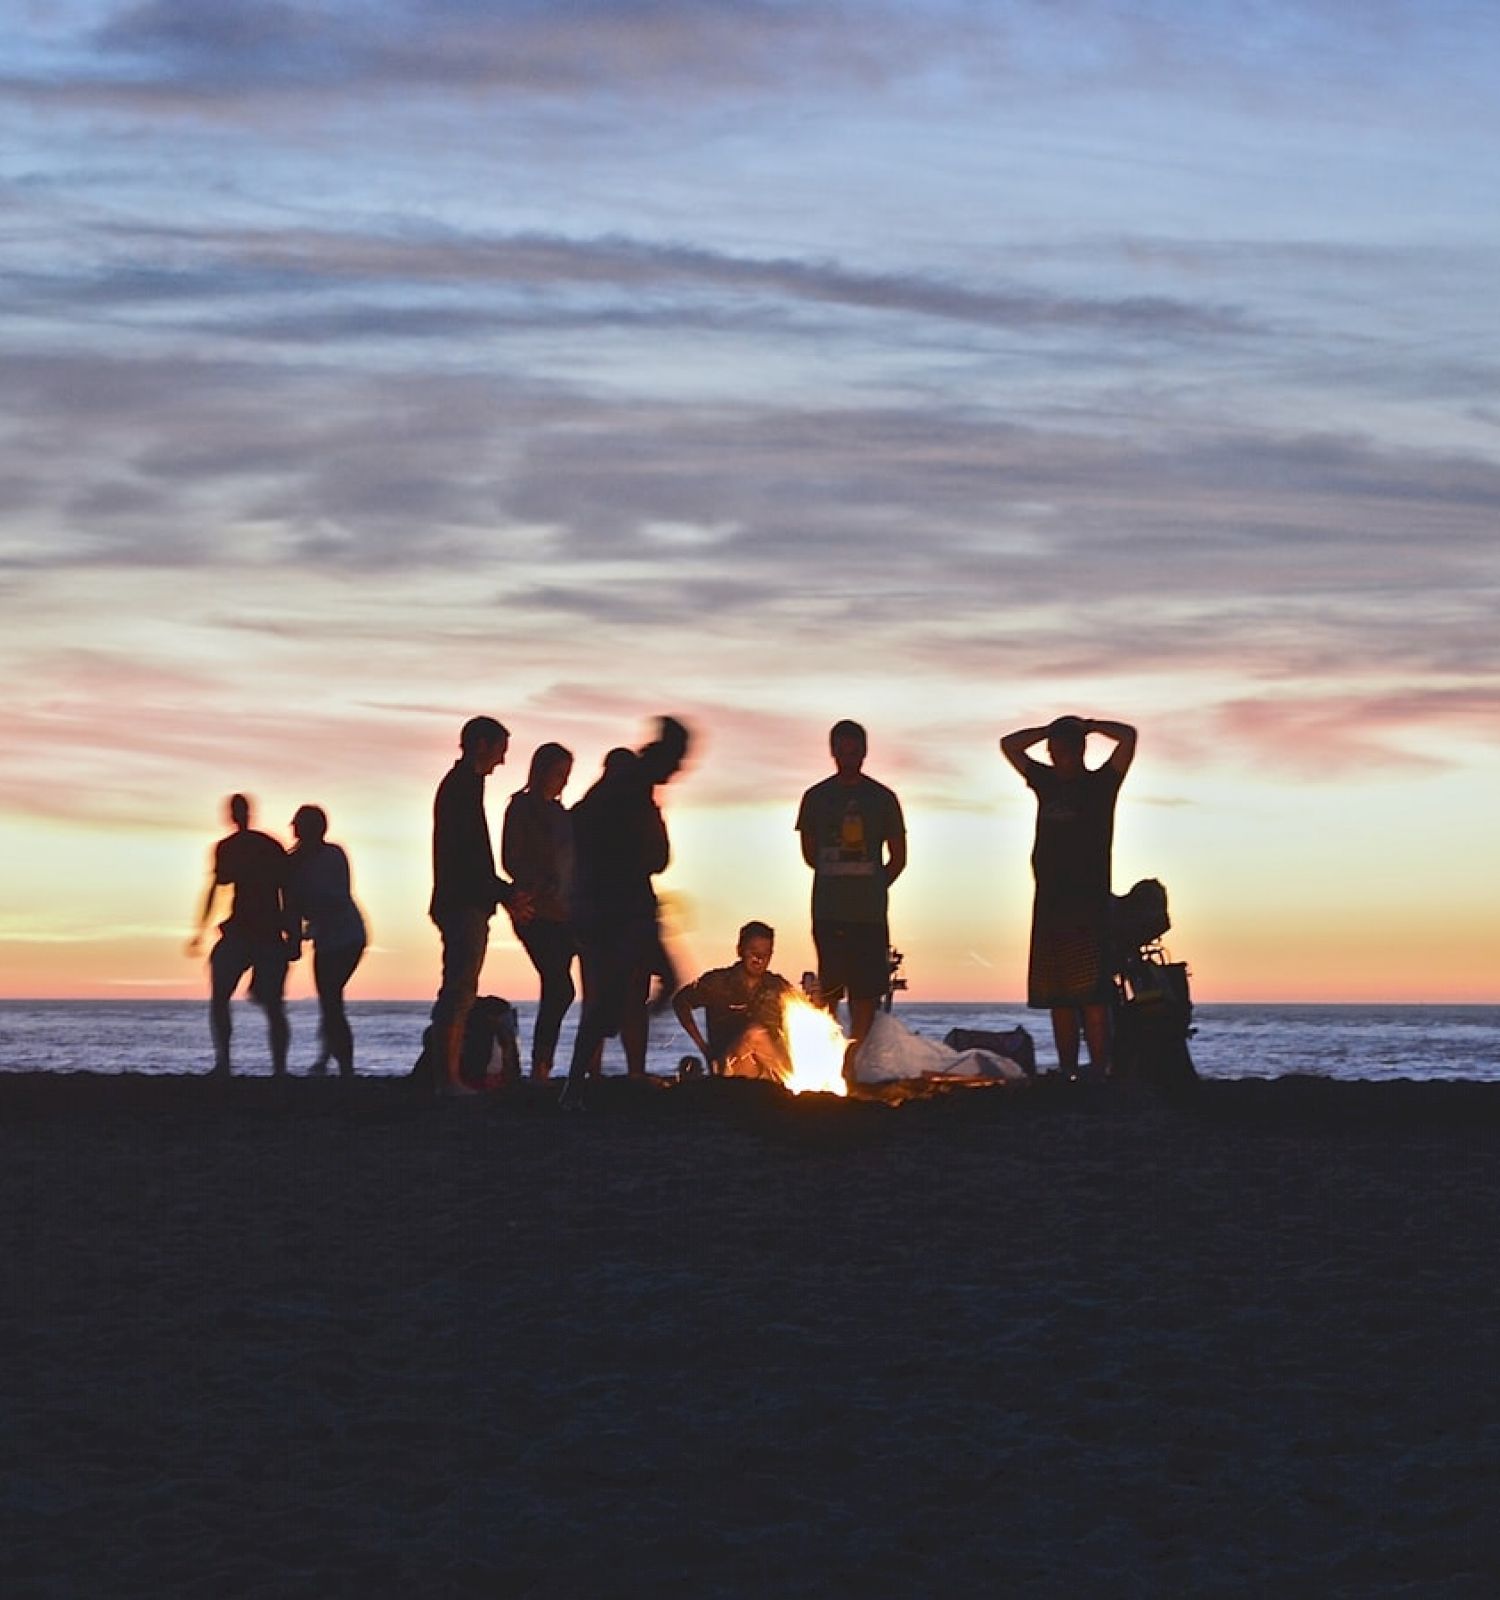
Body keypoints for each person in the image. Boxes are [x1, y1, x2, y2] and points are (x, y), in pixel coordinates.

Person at [560, 718, 690, 1108]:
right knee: (638, 989)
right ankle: (577, 1085)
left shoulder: (626, 789)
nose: (680, 770)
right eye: (678, 760)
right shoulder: (631, 787)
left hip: (613, 906)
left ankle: (580, 1082)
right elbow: (655, 856)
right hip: (617, 909)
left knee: (635, 991)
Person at [1000, 715, 1137, 1080]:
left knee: (1093, 996)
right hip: (1049, 904)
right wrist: (1047, 730)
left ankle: (1099, 1069)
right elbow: (1009, 745)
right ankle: (1067, 1069)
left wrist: (1089, 725)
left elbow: (1128, 738)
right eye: (1054, 750)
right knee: (1057, 996)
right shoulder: (1044, 782)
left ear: (1080, 750)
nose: (1057, 756)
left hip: (1088, 905)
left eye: (1064, 748)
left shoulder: (1101, 785)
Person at [427, 716, 532, 1097]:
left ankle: (449, 1078)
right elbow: (470, 857)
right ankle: (448, 1081)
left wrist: (500, 894)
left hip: (464, 899)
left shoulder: (464, 787)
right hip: (462, 902)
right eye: (500, 751)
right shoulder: (460, 789)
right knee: (459, 989)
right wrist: (503, 893)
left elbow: (473, 858)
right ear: (482, 745)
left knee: (460, 988)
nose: (502, 762)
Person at [795, 719, 906, 1076]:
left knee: (866, 991)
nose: (847, 758)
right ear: (832, 752)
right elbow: (809, 852)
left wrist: (874, 884)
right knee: (830, 987)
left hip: (869, 914)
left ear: (864, 751)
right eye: (841, 751)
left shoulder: (883, 799)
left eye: (853, 751)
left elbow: (899, 857)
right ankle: (829, 1055)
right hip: (829, 909)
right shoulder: (816, 797)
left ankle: (852, 1062)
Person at [188, 792, 299, 1077]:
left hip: (265, 932)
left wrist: (294, 935)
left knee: (271, 1004)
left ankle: (276, 1069)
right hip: (243, 930)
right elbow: (217, 887)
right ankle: (227, 1063)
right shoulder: (235, 847)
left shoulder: (263, 846)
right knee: (224, 997)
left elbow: (289, 892)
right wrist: (200, 929)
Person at [501, 742, 577, 1081]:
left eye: (566, 775)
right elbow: (511, 858)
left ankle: (543, 1066)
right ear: (541, 771)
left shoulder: (562, 815)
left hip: (565, 910)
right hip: (535, 908)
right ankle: (540, 1066)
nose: (562, 781)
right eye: (558, 773)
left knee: (558, 986)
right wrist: (539, 883)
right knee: (559, 986)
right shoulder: (522, 807)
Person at [287, 804, 366, 1078]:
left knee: (331, 1000)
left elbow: (334, 896)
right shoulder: (296, 862)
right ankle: (328, 1059)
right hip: (328, 937)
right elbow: (294, 905)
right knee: (330, 1000)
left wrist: (302, 932)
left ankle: (343, 1065)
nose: (293, 829)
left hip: (346, 935)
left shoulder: (331, 855)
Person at [673, 921, 794, 1083]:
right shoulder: (718, 982)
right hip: (732, 1068)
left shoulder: (777, 986)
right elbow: (680, 1001)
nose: (759, 959)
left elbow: (807, 1013)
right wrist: (704, 1048)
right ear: (740, 951)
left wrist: (815, 997)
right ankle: (793, 1083)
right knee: (755, 1034)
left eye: (766, 954)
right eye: (754, 952)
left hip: (768, 1069)